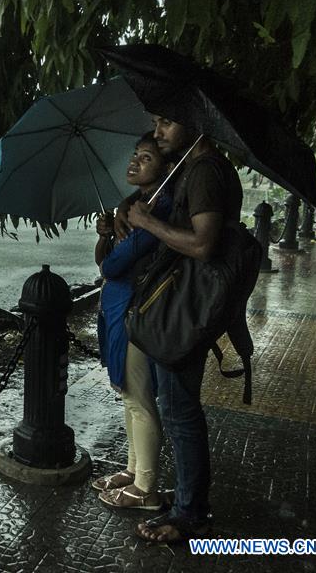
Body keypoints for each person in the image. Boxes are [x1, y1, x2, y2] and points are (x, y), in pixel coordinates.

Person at [116, 115, 243, 543]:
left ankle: (192, 514)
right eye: (154, 122)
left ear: (198, 124)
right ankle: (189, 499)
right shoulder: (199, 169)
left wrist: (148, 224)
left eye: (167, 123)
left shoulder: (206, 170)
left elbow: (203, 244)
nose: (158, 131)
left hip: (187, 310)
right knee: (177, 406)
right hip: (191, 307)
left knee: (180, 411)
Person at [91, 133, 172, 511]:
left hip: (136, 314)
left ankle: (147, 489)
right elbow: (104, 259)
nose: (135, 162)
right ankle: (134, 470)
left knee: (140, 400)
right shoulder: (137, 207)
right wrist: (108, 234)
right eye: (135, 155)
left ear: (167, 168)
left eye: (147, 158)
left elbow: (112, 266)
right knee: (129, 397)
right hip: (120, 310)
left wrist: (120, 238)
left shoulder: (157, 209)